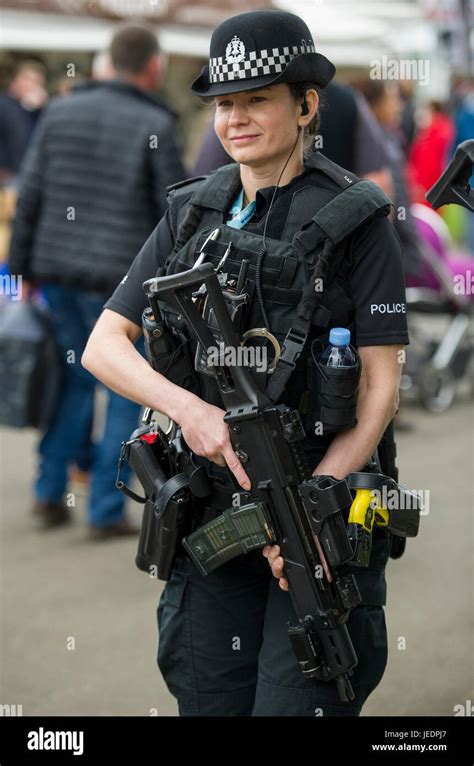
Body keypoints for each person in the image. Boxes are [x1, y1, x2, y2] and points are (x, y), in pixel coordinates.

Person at [82, 10, 409, 714]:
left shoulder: (359, 219)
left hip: (317, 506)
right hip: (210, 513)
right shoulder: (193, 213)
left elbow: (381, 391)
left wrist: (312, 504)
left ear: (305, 103)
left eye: (257, 99)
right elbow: (103, 344)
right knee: (208, 694)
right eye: (226, 103)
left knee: (302, 697)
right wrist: (189, 410)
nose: (236, 119)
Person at [8, 24, 186, 536]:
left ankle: (48, 492)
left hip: (57, 274)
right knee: (128, 389)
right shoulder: (156, 121)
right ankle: (105, 511)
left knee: (72, 381)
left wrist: (19, 273)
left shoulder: (59, 111)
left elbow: (30, 197)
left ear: (108, 62)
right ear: (153, 67)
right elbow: (175, 214)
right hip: (122, 282)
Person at [0, 60, 47, 184]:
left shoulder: (35, 108)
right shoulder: (3, 104)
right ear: (15, 81)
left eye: (37, 82)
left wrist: (39, 109)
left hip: (32, 172)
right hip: (9, 174)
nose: (33, 85)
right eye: (29, 80)